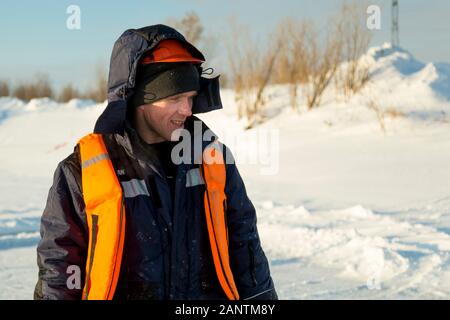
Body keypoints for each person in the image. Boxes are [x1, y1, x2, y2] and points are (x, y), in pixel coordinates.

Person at [34, 24, 277, 300]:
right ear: (138, 98)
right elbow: (60, 266)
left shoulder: (212, 159)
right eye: (174, 98)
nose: (186, 110)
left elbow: (245, 249)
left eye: (190, 98)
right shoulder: (81, 171)